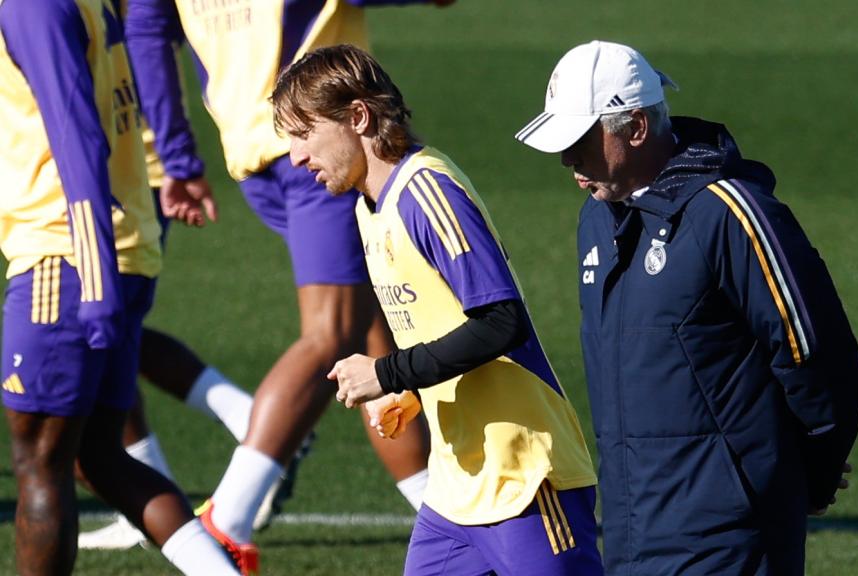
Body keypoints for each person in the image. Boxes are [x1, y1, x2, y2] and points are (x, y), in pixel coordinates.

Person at [124, 1, 452, 571]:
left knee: (375, 334)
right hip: (320, 143)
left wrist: (178, 156)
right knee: (335, 331)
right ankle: (228, 517)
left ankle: (440, 511)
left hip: (252, 148)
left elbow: (147, 30)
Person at [516, 40, 858, 575]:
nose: (568, 160)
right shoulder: (598, 218)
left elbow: (816, 352)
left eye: (582, 141)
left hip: (731, 539)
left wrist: (808, 475)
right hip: (634, 532)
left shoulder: (728, 213)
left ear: (635, 129)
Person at [272, 44, 603, 576]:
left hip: (522, 478)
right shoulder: (367, 207)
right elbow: (439, 323)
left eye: (303, 132)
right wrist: (410, 390)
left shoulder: (426, 191)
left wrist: (385, 372)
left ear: (357, 116)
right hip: (456, 491)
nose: (293, 156)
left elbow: (501, 322)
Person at [0, 0, 243, 573]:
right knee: (99, 458)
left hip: (64, 253)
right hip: (121, 242)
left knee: (39, 461)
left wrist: (95, 278)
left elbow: (75, 134)